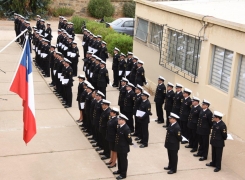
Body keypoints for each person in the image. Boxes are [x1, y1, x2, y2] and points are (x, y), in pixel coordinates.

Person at [113, 114, 133, 180]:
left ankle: (123, 174)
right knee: (119, 159)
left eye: (119, 119)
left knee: (123, 160)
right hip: (119, 146)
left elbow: (129, 139)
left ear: (123, 121)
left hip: (123, 147)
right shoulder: (120, 126)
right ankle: (120, 170)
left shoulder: (126, 129)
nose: (118, 120)